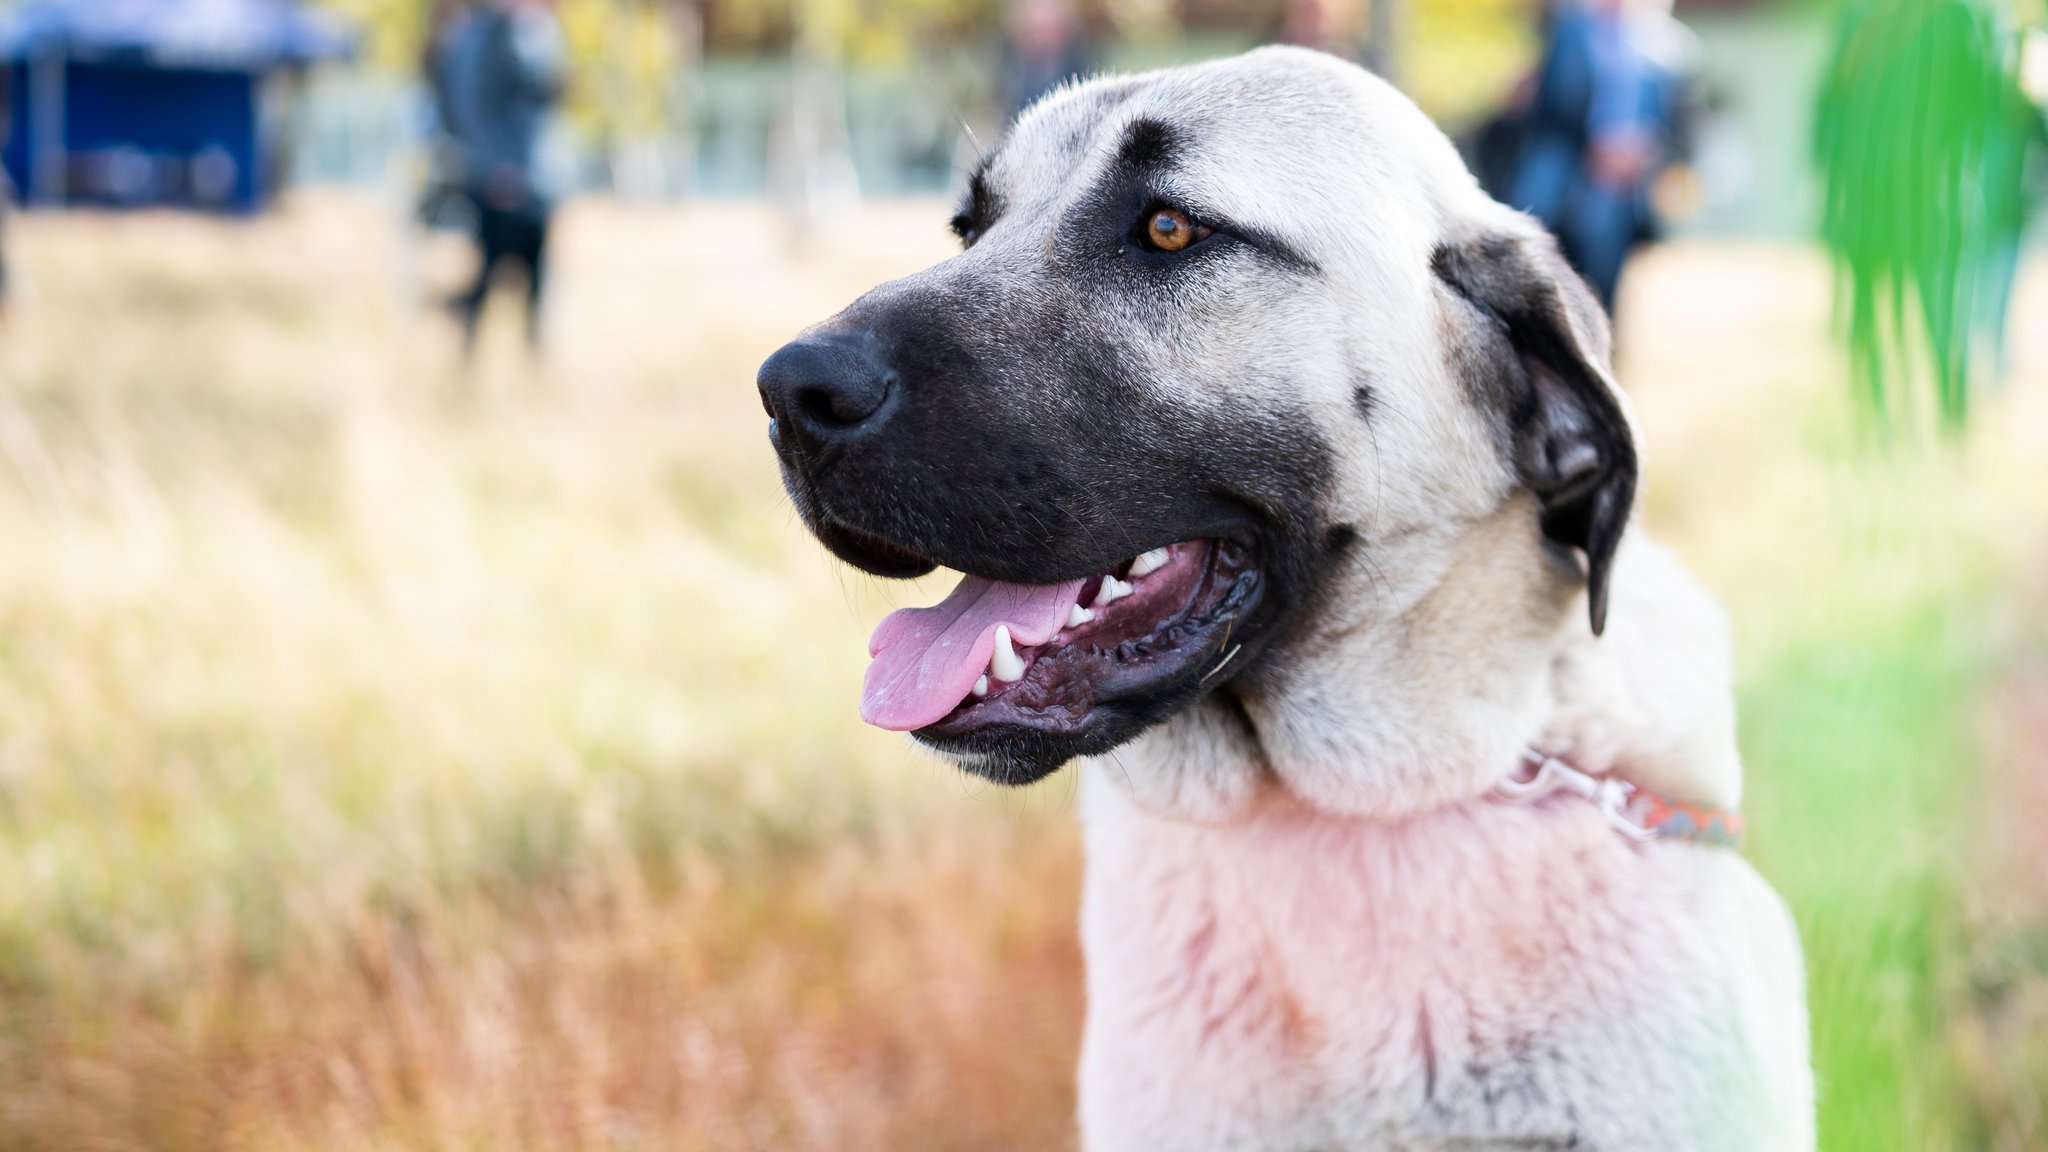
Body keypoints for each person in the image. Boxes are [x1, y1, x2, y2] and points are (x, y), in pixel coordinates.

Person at [1501, 0, 1697, 315]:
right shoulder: (1570, 30)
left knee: (1605, 292)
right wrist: (1595, 147)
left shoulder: (1663, 45)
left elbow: (1677, 119)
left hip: (1622, 191)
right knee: (1550, 285)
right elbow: (1551, 106)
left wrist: (1642, 152)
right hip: (1564, 182)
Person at [426, 0, 566, 349]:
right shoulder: (485, 37)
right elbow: (474, 106)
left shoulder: (530, 32)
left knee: (530, 272)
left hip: (529, 176)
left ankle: (525, 352)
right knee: (493, 268)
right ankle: (465, 338)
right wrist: (499, 167)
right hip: (502, 177)